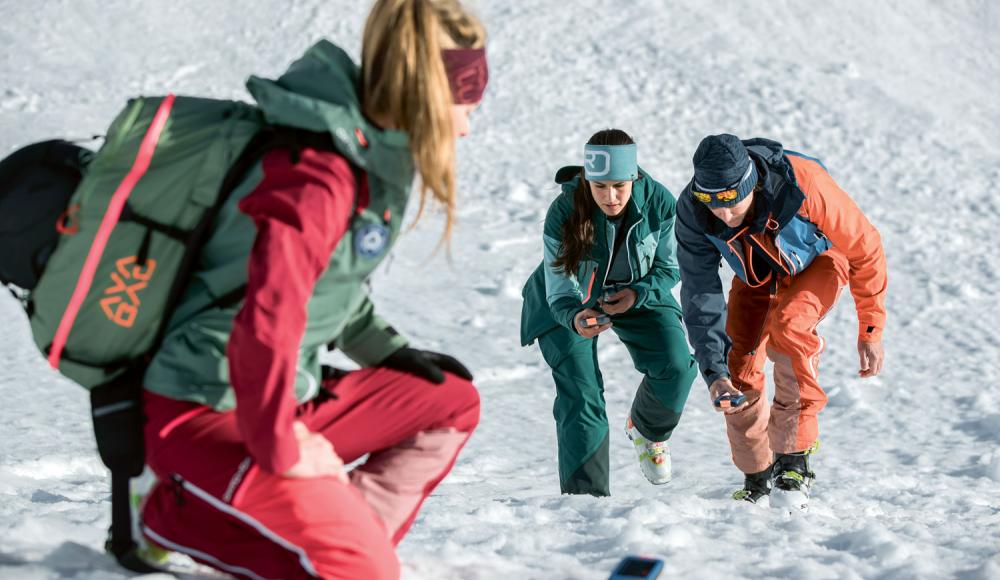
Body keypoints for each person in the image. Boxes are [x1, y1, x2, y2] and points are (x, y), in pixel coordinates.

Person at [137, 1, 488, 577]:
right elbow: (267, 316)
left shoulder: (364, 158)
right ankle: (182, 517)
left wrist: (387, 351)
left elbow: (329, 286)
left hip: (272, 396)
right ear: (424, 95)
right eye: (462, 104)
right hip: (204, 408)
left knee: (449, 400)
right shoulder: (317, 178)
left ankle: (339, 542)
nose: (467, 126)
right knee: (361, 571)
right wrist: (283, 446)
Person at [675, 134, 887, 509]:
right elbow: (699, 293)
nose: (722, 213)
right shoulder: (694, 211)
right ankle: (757, 474)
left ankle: (793, 460)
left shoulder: (803, 181)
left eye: (729, 199)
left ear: (750, 184)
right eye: (711, 201)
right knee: (735, 363)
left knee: (790, 329)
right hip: (758, 272)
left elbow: (865, 247)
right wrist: (713, 370)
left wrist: (870, 327)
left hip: (820, 261)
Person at [520, 129, 698, 497]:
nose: (610, 197)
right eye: (599, 187)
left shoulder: (659, 202)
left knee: (677, 365)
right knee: (582, 397)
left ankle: (648, 430)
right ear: (587, 181)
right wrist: (573, 317)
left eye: (619, 185)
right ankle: (587, 502)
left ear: (634, 177)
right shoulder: (563, 211)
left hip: (637, 291)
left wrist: (639, 293)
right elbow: (558, 287)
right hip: (569, 303)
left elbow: (669, 267)